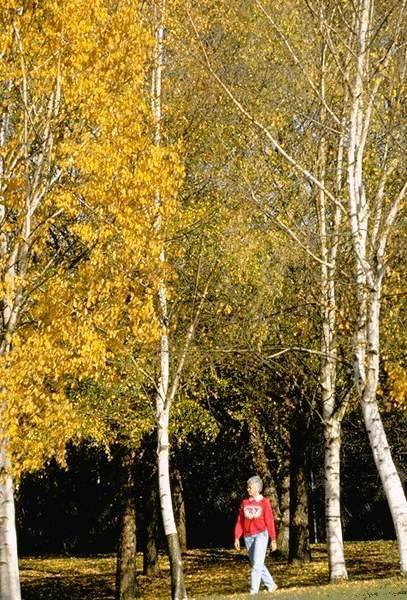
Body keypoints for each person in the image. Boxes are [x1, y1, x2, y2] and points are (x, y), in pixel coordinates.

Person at [234, 475, 278, 595]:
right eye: (247, 487)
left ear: (257, 488)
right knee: (256, 563)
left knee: (257, 564)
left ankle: (253, 592)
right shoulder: (245, 503)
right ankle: (271, 585)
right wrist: (237, 537)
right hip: (248, 537)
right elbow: (240, 521)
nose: (248, 489)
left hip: (261, 535)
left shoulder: (265, 502)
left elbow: (270, 521)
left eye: (250, 487)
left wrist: (273, 539)